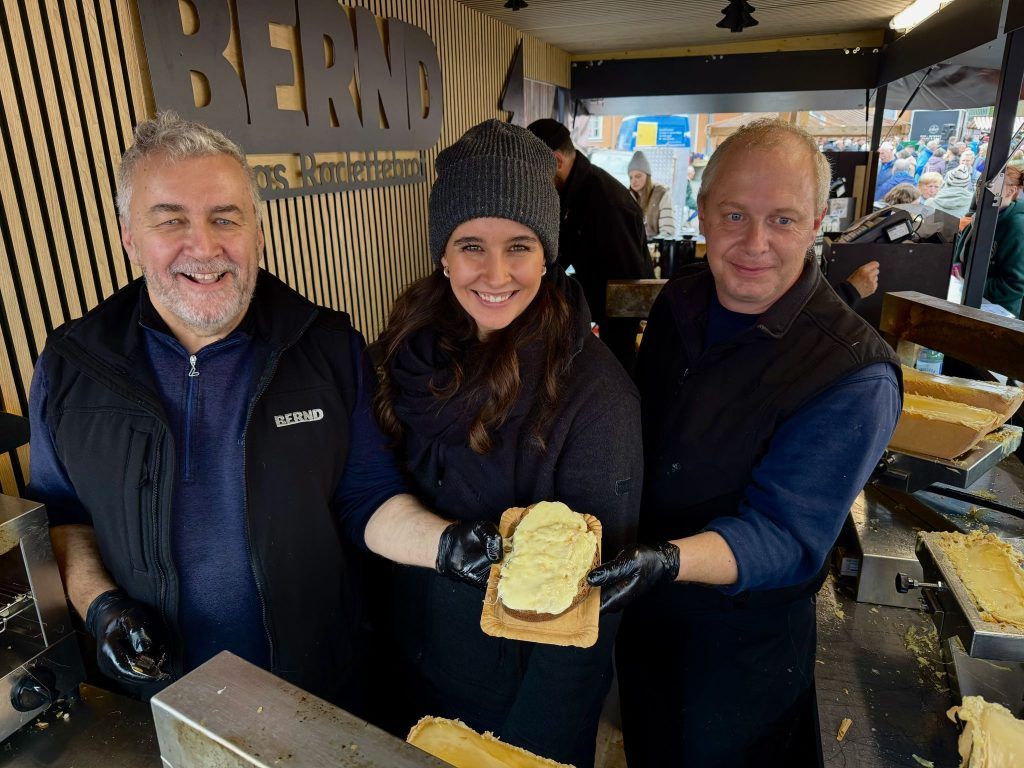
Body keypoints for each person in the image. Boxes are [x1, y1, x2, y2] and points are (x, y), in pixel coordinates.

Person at [27, 112, 502, 708]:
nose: (204, 247)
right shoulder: (71, 365)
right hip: (154, 695)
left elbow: (367, 496)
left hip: (317, 687)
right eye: (171, 220)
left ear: (257, 230)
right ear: (129, 238)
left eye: (225, 218)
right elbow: (64, 520)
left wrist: (447, 546)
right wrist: (101, 608)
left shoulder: (326, 346)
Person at [586, 118, 902, 767]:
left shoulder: (853, 373)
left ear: (817, 224)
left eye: (783, 220)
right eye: (734, 215)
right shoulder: (682, 297)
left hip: (740, 647)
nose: (755, 244)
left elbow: (784, 536)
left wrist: (663, 560)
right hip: (644, 614)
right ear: (703, 213)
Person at [372, 119, 642, 767]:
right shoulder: (406, 350)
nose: (495, 273)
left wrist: (530, 748)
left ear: (547, 254)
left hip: (509, 701)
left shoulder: (594, 398)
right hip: (401, 661)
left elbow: (590, 610)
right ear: (443, 252)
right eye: (472, 245)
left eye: (519, 246)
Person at [527, 118, 653, 373]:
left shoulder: (606, 201)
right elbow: (561, 251)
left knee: (617, 371)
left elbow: (627, 282)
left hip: (619, 313)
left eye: (535, 169)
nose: (533, 179)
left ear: (557, 161)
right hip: (599, 305)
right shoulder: (572, 191)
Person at [955, 165, 1024, 316]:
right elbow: (960, 256)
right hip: (966, 298)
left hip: (996, 312)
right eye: (979, 183)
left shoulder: (1017, 227)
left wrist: (969, 285)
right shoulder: (981, 216)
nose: (980, 189)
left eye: (989, 185)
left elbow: (1015, 285)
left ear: (1010, 191)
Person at [627, 150, 676, 238]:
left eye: (638, 176)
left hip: (655, 245)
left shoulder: (661, 194)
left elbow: (667, 231)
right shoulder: (627, 197)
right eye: (631, 177)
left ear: (647, 176)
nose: (633, 181)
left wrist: (652, 243)